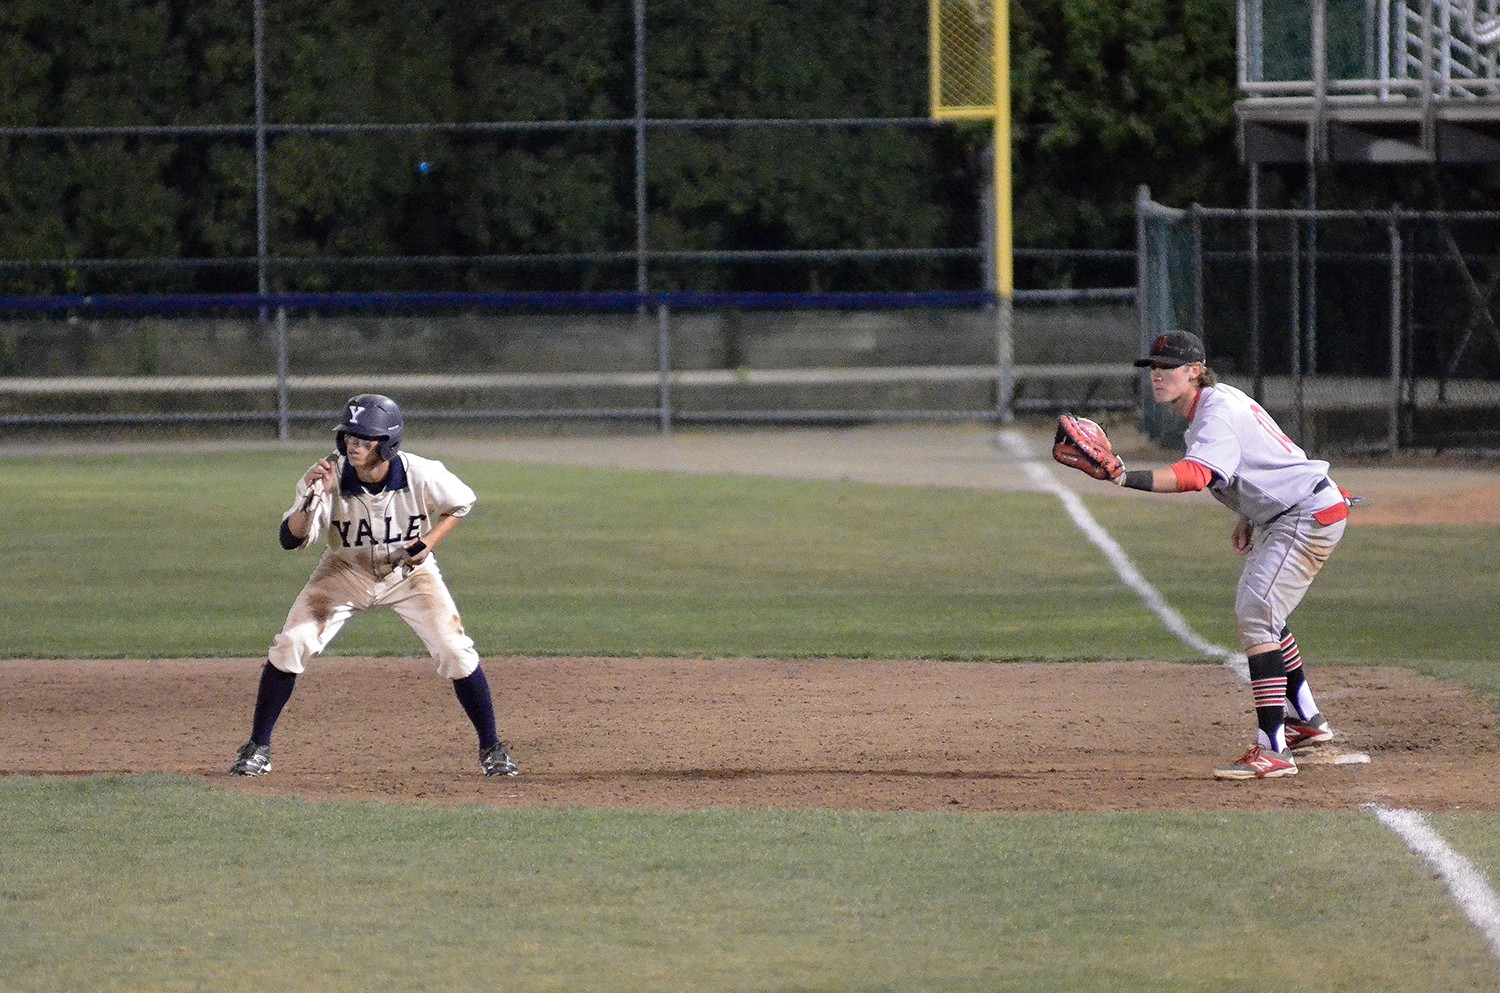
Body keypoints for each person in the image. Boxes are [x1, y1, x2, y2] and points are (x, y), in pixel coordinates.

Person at [229, 393, 519, 778]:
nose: (354, 445)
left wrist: (429, 543)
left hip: (411, 576)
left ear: (388, 443)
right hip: (344, 571)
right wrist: (310, 500)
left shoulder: (421, 473)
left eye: (364, 439)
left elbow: (461, 503)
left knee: (455, 650)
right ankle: (257, 746)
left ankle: (492, 748)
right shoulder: (326, 478)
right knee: (292, 643)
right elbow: (292, 540)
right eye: (349, 436)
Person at [1109, 331, 1350, 781]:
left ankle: (1273, 749)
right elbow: (1278, 456)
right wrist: (1252, 513)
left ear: (1195, 371)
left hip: (1304, 515)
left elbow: (1197, 475)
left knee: (1256, 615)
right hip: (1298, 509)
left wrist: (1125, 477)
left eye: (1168, 368)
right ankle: (1307, 723)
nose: (1157, 377)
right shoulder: (1219, 402)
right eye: (1153, 369)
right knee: (1266, 614)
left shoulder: (1215, 414)